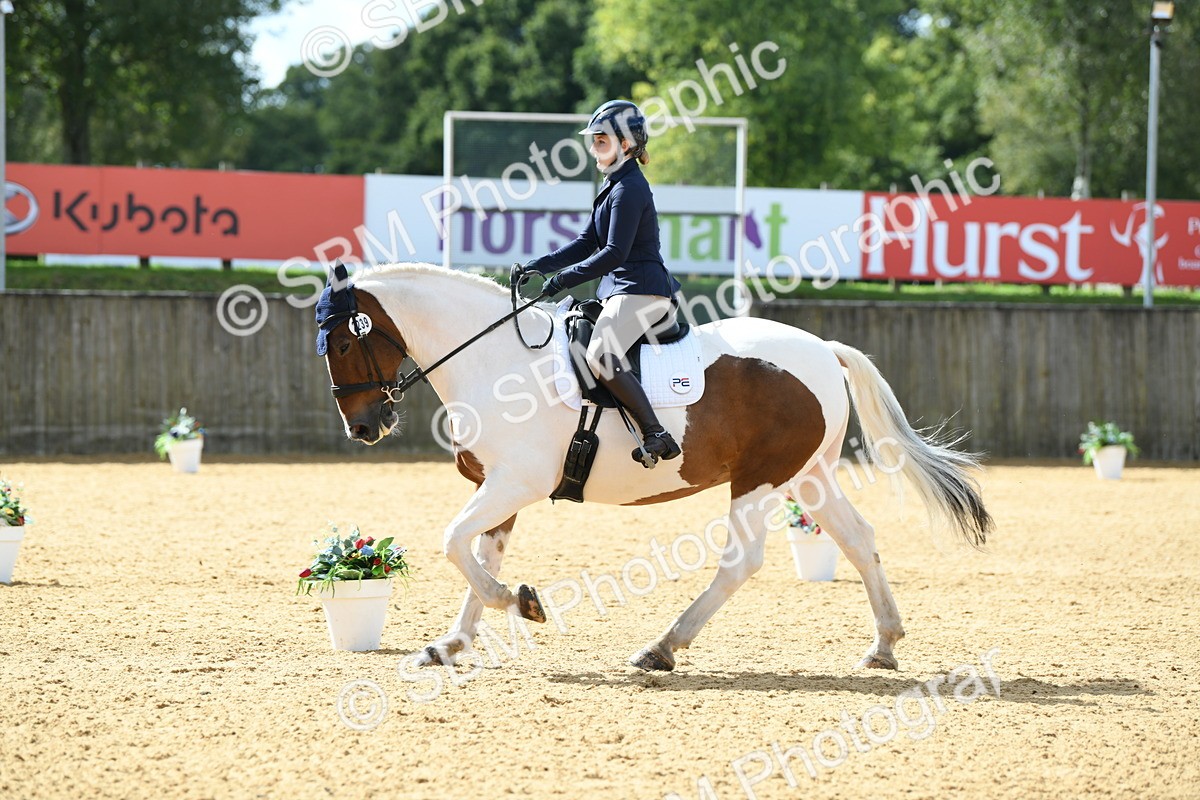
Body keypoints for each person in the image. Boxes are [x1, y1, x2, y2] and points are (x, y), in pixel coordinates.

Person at [521, 99, 683, 466]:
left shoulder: (629, 190)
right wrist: (540, 266)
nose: (593, 147)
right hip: (622, 289)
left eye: (601, 139)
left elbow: (613, 254)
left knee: (599, 354)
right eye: (593, 139)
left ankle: (655, 432)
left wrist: (562, 280)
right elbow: (585, 244)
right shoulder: (614, 185)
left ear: (625, 144)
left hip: (642, 289)